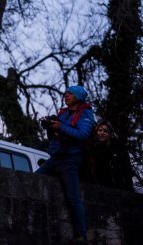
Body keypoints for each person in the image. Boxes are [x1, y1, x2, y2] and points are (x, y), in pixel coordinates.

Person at [35, 85, 95, 241]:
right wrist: (50, 124)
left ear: (78, 97)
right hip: (55, 158)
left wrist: (60, 126)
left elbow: (82, 134)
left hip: (70, 160)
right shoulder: (64, 113)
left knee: (73, 198)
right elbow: (57, 134)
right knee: (33, 179)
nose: (66, 95)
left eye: (70, 93)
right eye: (66, 92)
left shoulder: (86, 114)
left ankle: (81, 235)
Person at [82, 120, 134, 191]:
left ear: (110, 133)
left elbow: (127, 171)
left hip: (115, 187)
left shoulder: (117, 149)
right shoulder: (92, 149)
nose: (102, 133)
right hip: (96, 186)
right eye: (100, 130)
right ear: (96, 132)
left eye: (105, 131)